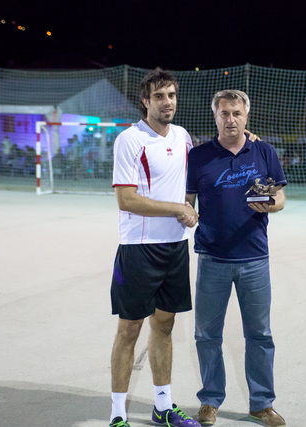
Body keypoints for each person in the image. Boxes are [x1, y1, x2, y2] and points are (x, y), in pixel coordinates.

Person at [186, 90, 287, 427]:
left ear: (246, 116)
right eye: (224, 113)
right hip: (212, 257)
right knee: (207, 335)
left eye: (237, 113)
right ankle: (210, 400)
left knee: (260, 334)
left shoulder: (263, 151)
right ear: (215, 116)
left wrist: (270, 203)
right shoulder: (199, 156)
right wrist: (186, 213)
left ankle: (262, 404)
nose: (231, 119)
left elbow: (280, 196)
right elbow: (188, 200)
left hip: (254, 257)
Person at [108, 67, 201, 427]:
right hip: (139, 248)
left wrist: (188, 207)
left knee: (164, 326)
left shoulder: (182, 136)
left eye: (172, 95)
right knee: (129, 330)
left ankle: (163, 407)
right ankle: (118, 414)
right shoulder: (130, 140)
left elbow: (187, 184)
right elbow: (127, 200)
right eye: (159, 96)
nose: (167, 102)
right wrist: (178, 208)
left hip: (175, 248)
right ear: (145, 101)